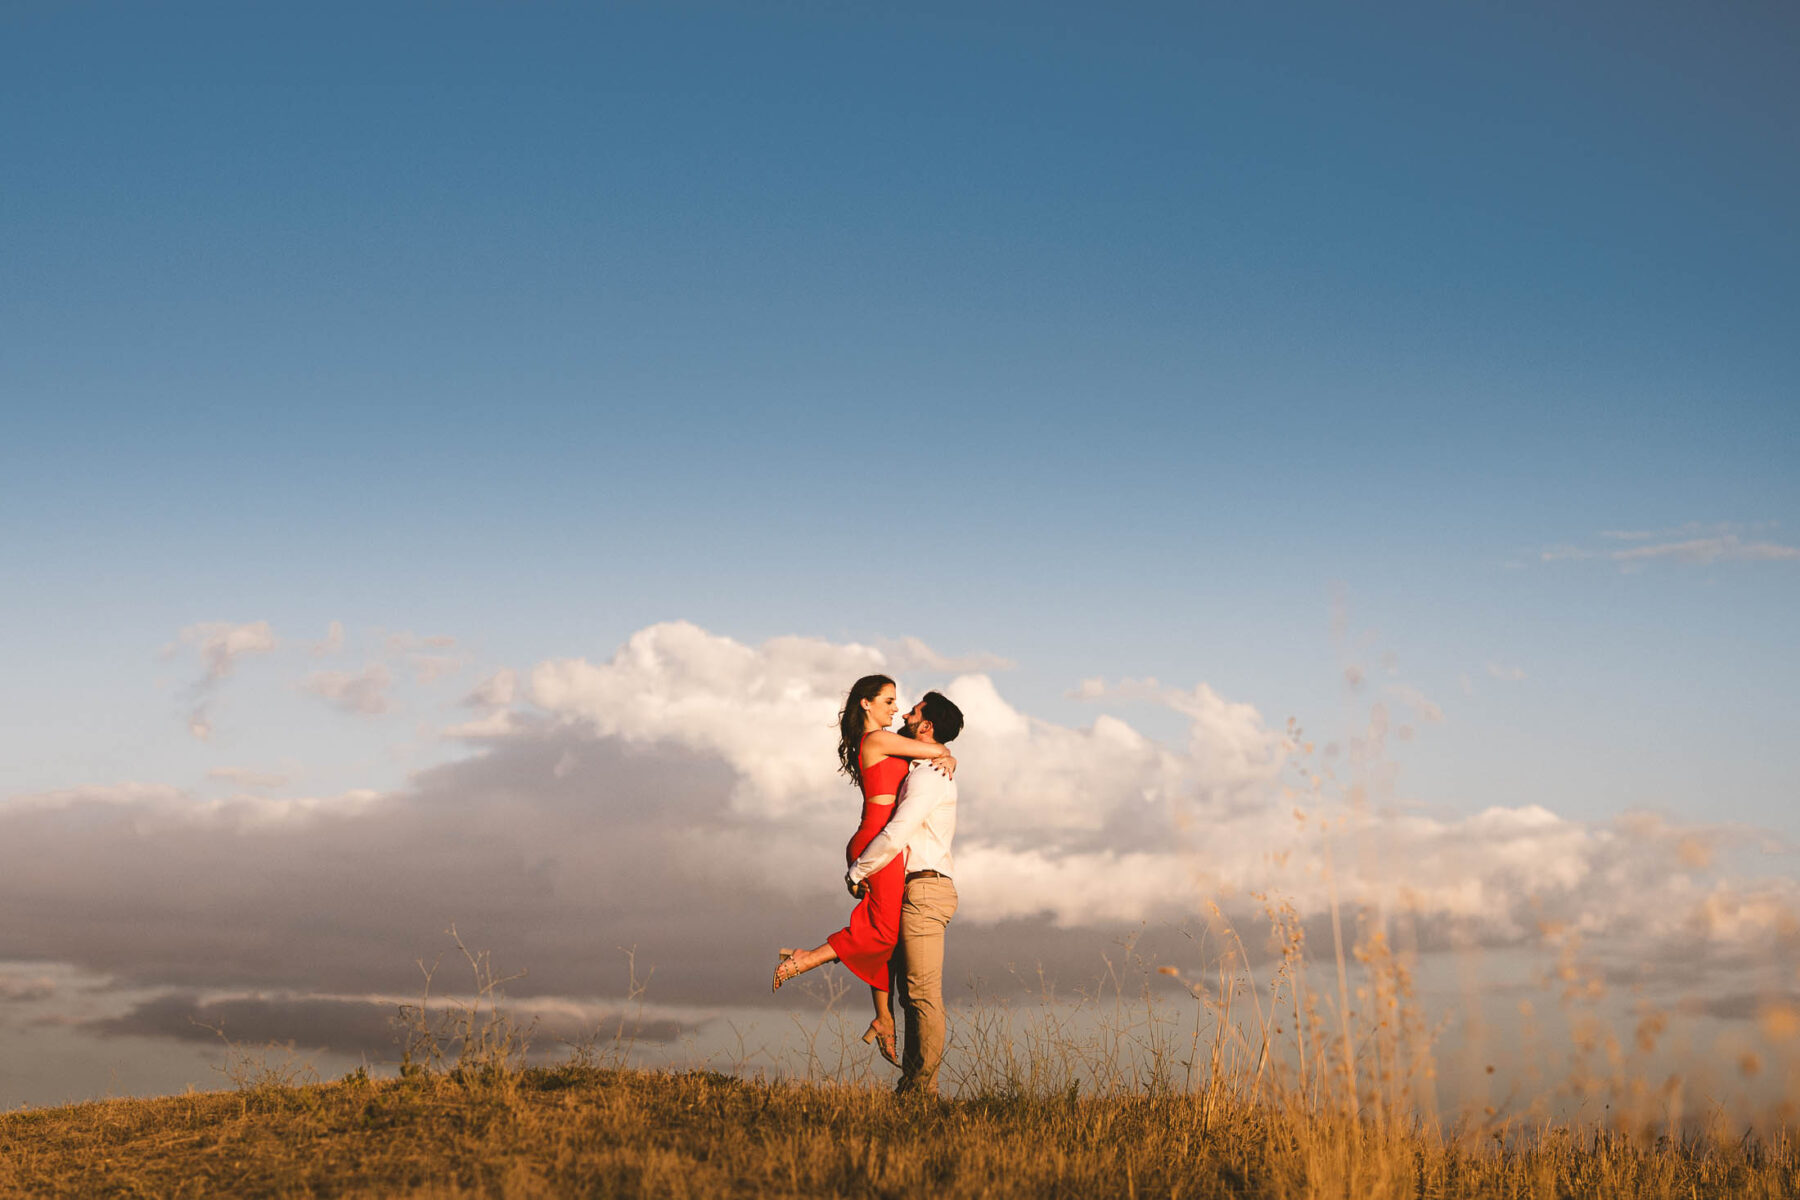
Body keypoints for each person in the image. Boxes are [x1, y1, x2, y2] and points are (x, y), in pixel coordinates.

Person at [771, 675, 956, 1065]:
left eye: (898, 702)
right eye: (888, 701)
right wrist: (947, 754)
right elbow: (935, 746)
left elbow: (931, 749)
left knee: (885, 936)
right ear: (866, 704)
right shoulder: (877, 740)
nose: (896, 708)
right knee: (885, 931)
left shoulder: (887, 743)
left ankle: (884, 1018)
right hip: (878, 842)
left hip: (878, 843)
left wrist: (942, 753)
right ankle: (807, 958)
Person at [846, 690, 962, 1095]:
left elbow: (898, 832)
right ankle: (915, 1086)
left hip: (925, 888)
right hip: (911, 888)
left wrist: (859, 868)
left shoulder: (929, 776)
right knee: (910, 994)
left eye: (912, 712)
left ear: (925, 726)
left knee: (922, 993)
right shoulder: (926, 767)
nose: (905, 714)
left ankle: (919, 1090)